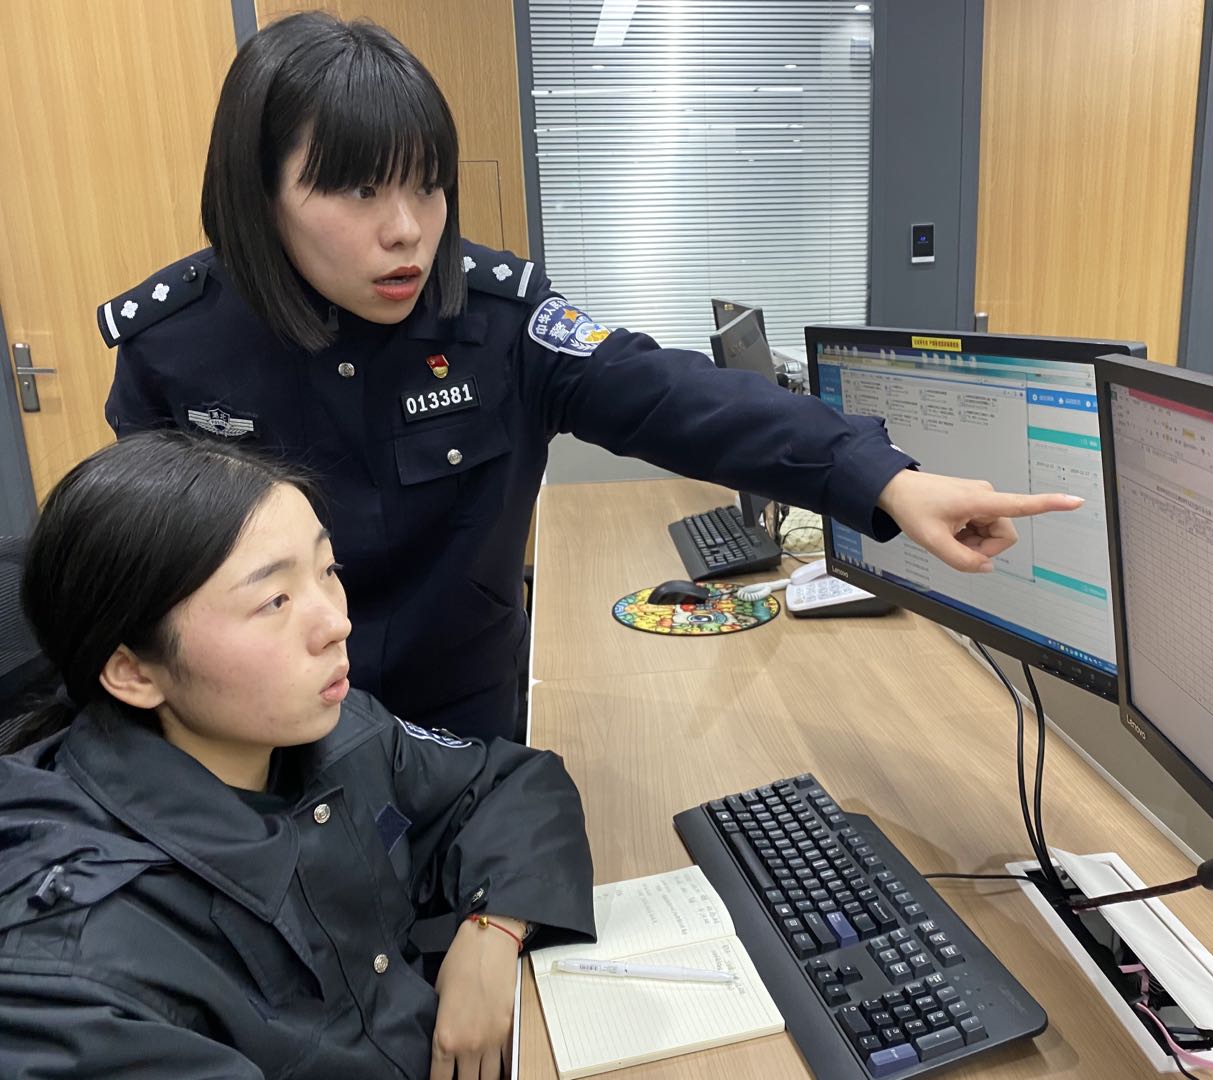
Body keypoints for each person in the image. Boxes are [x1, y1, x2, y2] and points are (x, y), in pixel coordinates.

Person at [98, 12, 1083, 740]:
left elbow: (669, 394)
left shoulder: (497, 318)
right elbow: (146, 579)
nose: (407, 230)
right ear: (259, 193)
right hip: (268, 750)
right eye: (358, 190)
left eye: (428, 185)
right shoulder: (176, 345)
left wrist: (884, 479)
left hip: (466, 730)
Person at [0, 432, 595, 1080]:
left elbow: (510, 783)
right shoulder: (72, 979)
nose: (336, 623)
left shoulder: (327, 732)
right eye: (274, 601)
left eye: (327, 571)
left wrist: (493, 929)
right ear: (134, 672)